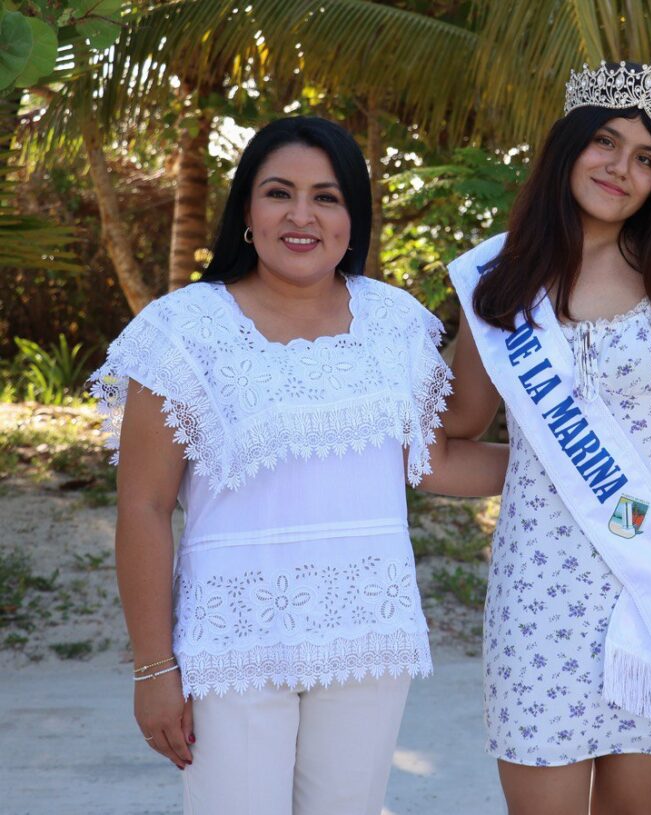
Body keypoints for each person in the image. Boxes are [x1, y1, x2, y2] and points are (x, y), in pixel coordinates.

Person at [90, 116, 506, 815]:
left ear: (353, 218)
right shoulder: (180, 331)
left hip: (367, 635)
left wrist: (559, 469)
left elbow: (435, 460)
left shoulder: (395, 323)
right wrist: (153, 666)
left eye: (327, 197)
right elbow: (144, 507)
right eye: (279, 192)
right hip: (232, 644)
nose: (302, 215)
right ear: (246, 212)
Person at [443, 60, 651, 814]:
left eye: (646, 159)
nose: (621, 168)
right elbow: (457, 434)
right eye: (605, 141)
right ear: (568, 146)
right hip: (541, 594)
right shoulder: (499, 278)